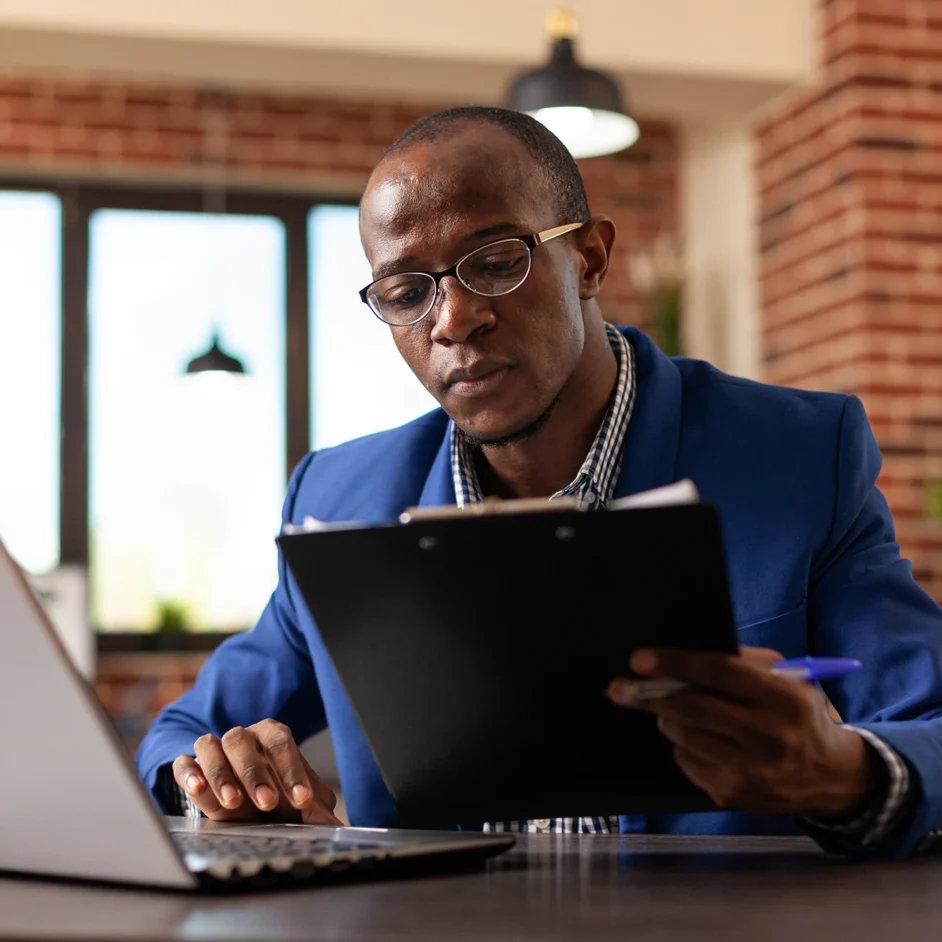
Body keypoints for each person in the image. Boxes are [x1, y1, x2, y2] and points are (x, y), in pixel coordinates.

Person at [137, 106, 942, 858]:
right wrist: (217, 783)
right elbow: (180, 737)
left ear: (588, 257)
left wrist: (844, 770)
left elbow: (931, 727)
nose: (451, 321)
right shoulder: (337, 496)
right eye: (407, 292)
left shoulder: (798, 454)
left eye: (494, 263)